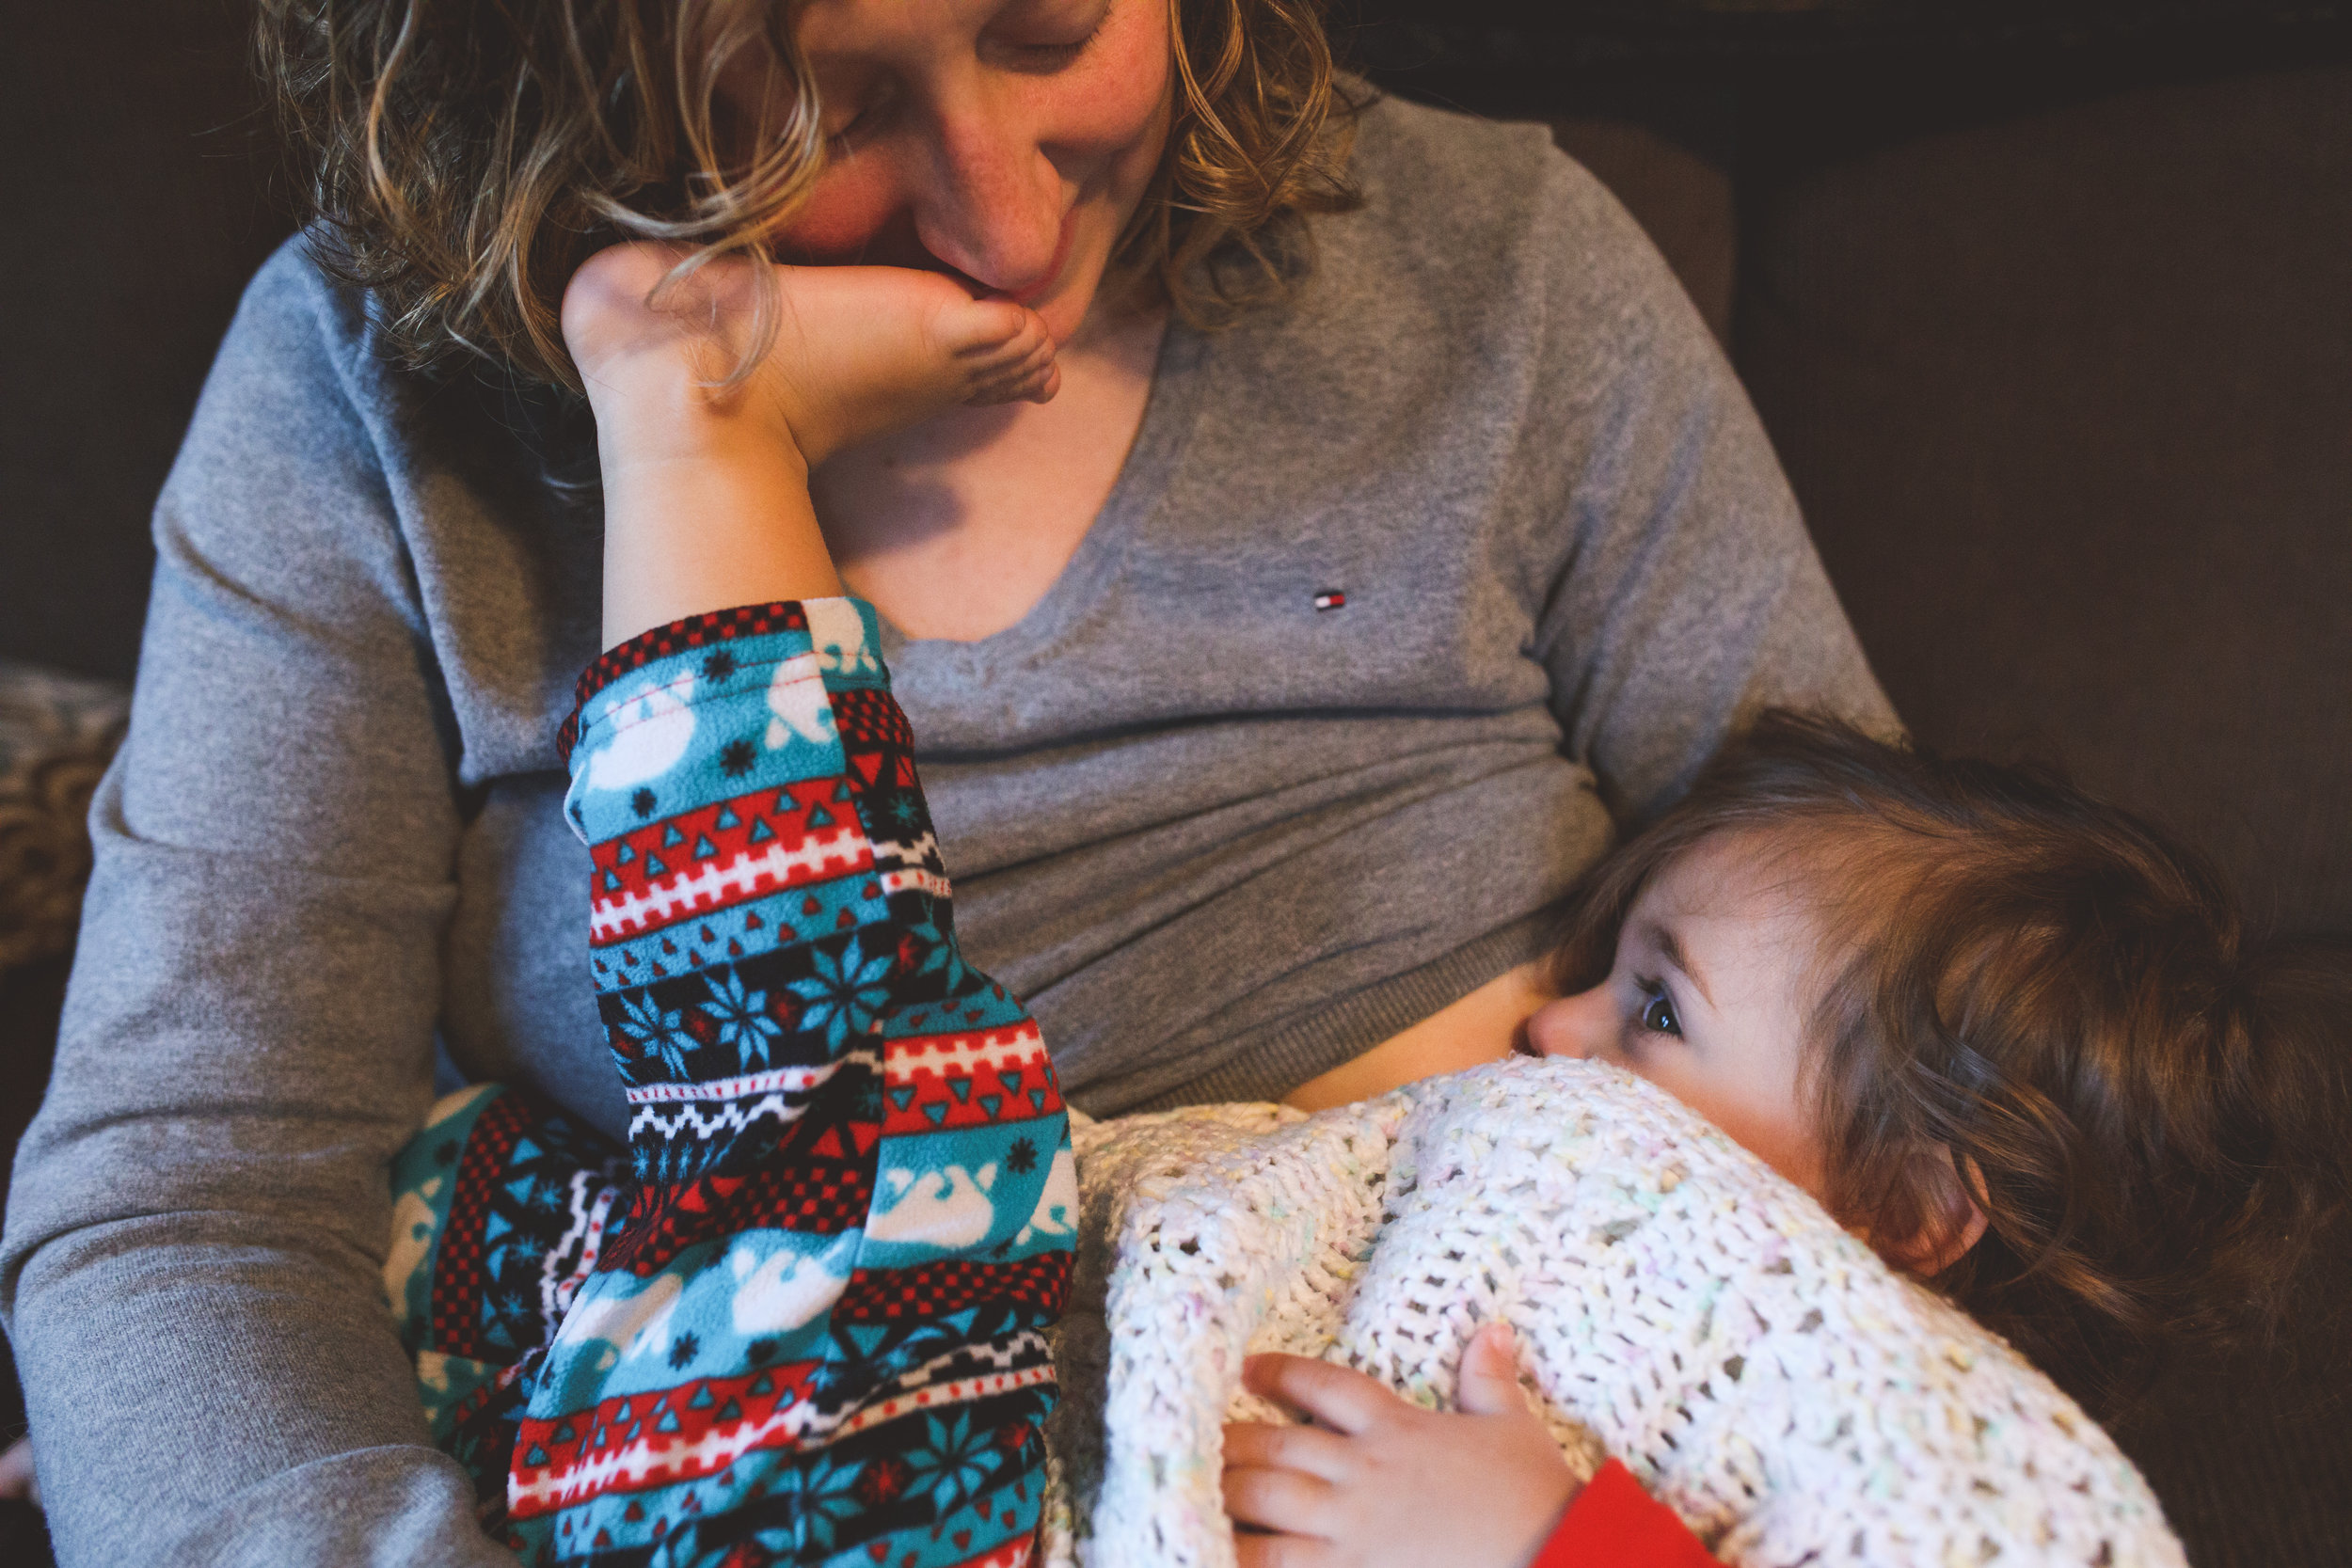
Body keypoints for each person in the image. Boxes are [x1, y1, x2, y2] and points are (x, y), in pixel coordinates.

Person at [0, 1, 1892, 1562]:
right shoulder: (370, 390)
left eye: (1050, 28)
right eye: (824, 114)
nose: (997, 230)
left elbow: (1913, 992)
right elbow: (192, 1189)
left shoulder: (1496, 268)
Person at [1221, 713, 2348, 1568]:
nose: (1548, 1026)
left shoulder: (1903, 1428)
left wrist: (1538, 1539)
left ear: (1903, 1203)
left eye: (1656, 1009)